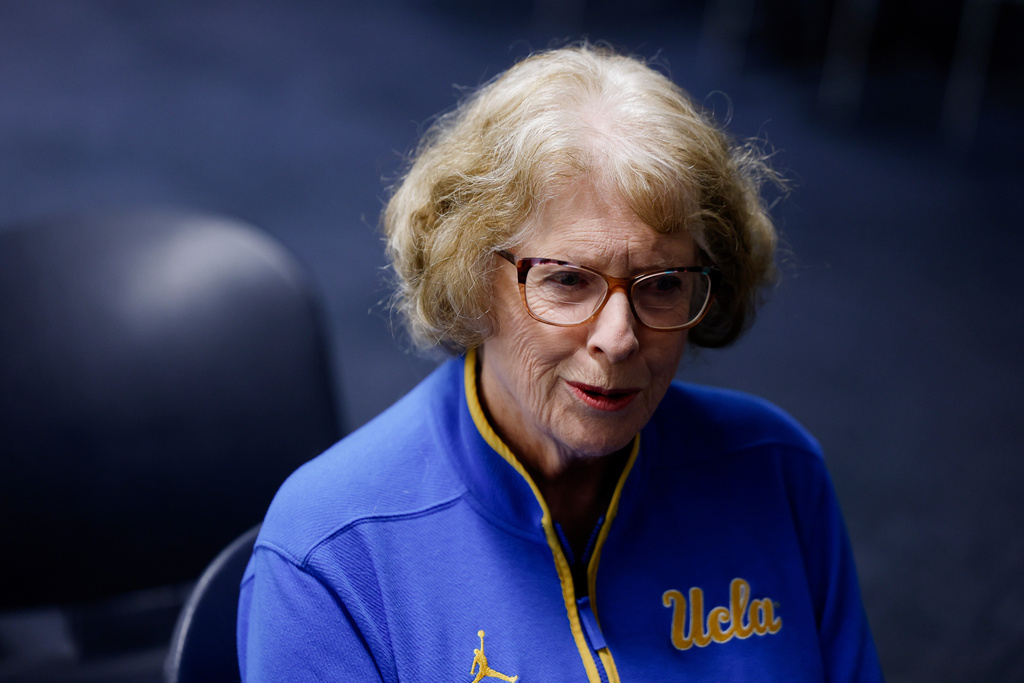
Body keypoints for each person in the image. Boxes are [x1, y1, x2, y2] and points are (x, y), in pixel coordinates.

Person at [237, 44, 883, 682]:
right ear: (470, 278)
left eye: (662, 283)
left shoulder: (776, 471)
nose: (620, 337)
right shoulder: (332, 549)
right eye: (569, 280)